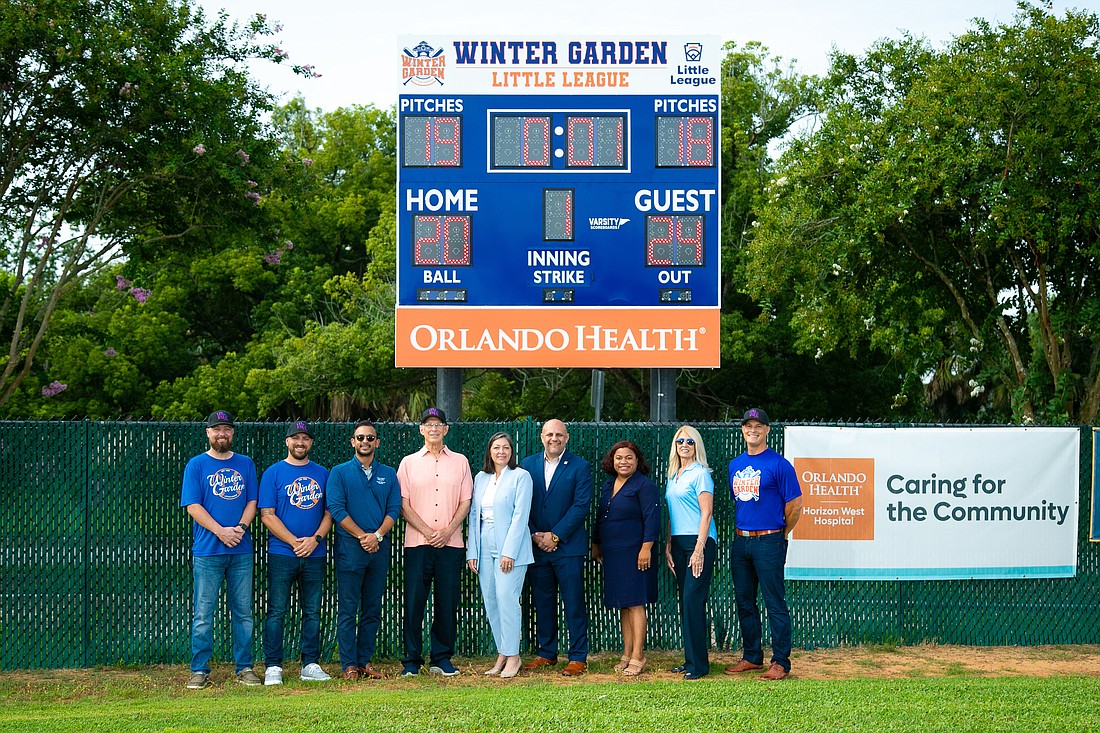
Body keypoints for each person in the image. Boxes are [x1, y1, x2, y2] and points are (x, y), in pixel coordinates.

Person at [181, 410, 260, 689]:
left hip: (240, 549)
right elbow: (193, 505)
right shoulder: (196, 465)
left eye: (226, 429)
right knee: (204, 612)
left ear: (232, 433)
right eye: (217, 430)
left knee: (243, 612)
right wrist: (220, 531)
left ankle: (245, 667)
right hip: (208, 550)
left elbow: (252, 501)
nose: (222, 434)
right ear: (208, 433)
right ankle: (199, 669)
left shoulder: (246, 463)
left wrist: (239, 527)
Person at [724, 408, 803, 681]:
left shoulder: (779, 464)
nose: (753, 430)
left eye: (759, 426)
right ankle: (752, 656)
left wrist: (782, 532)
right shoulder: (735, 464)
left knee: (774, 602)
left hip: (769, 539)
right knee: (745, 602)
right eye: (748, 426)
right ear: (743, 430)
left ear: (767, 430)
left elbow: (795, 505)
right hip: (741, 540)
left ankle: (780, 661)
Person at [397, 407, 473, 677]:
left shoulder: (461, 462)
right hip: (418, 543)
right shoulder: (408, 463)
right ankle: (411, 661)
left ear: (446, 429)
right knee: (414, 602)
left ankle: (441, 659)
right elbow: (402, 504)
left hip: (450, 545)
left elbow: (466, 502)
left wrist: (448, 530)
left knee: (446, 602)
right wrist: (429, 531)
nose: (433, 429)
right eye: (428, 424)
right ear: (421, 430)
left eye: (438, 424)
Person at [258, 421, 333, 685]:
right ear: (287, 442)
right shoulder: (273, 473)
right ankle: (273, 666)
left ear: (311, 443)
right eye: (295, 438)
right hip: (282, 553)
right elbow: (267, 514)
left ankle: (309, 663)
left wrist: (314, 540)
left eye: (305, 438)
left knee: (312, 610)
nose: (300, 442)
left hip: (314, 553)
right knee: (277, 610)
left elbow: (329, 512)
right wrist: (293, 542)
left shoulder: (323, 473)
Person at [327, 420, 402, 681]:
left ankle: (364, 662)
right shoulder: (339, 472)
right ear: (352, 442)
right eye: (360, 438)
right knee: (348, 608)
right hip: (350, 548)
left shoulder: (389, 474)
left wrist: (378, 535)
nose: (365, 442)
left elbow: (394, 510)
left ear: (377, 442)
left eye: (370, 438)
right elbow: (337, 510)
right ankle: (348, 664)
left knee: (372, 608)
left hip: (379, 549)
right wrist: (362, 536)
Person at [520, 419, 593, 676]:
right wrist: (534, 534)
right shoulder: (526, 465)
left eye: (559, 435)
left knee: (573, 603)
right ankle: (547, 653)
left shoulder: (580, 467)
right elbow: (519, 504)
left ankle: (577, 657)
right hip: (536, 545)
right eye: (549, 434)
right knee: (543, 601)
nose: (554, 438)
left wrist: (556, 536)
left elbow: (581, 505)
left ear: (567, 438)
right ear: (541, 437)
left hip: (568, 547)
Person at [466, 432, 534, 679]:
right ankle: (502, 653)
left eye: (506, 447)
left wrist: (509, 552)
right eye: (497, 447)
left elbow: (520, 516)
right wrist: (472, 551)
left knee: (507, 598)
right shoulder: (481, 477)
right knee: (492, 600)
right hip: (484, 543)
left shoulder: (521, 477)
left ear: (511, 451)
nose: (501, 452)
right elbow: (474, 516)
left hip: (510, 546)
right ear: (490, 451)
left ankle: (514, 656)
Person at [591, 440, 659, 677]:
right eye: (619, 458)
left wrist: (646, 548)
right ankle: (627, 653)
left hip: (636, 551)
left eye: (629, 457)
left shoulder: (644, 485)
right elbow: (601, 516)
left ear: (637, 461)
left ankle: (639, 655)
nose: (624, 462)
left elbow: (652, 518)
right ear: (613, 461)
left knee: (636, 602)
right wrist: (596, 542)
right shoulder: (608, 485)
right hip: (613, 552)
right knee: (624, 604)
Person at [663, 425, 718, 680]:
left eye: (690, 441)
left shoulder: (701, 474)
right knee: (685, 605)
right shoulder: (674, 474)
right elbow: (672, 514)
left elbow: (706, 513)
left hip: (699, 543)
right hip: (678, 543)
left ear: (697, 446)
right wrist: (668, 545)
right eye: (680, 440)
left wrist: (699, 549)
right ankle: (690, 660)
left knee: (693, 602)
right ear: (675, 445)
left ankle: (700, 666)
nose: (684, 444)